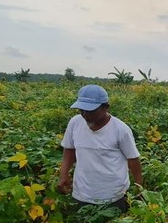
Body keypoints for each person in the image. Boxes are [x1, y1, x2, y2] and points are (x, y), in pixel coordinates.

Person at [58, 84, 143, 213]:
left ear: (106, 107)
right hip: (82, 194)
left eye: (91, 111)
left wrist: (139, 187)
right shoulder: (75, 123)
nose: (85, 115)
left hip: (113, 197)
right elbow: (69, 151)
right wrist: (63, 175)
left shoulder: (121, 130)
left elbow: (133, 160)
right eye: (81, 110)